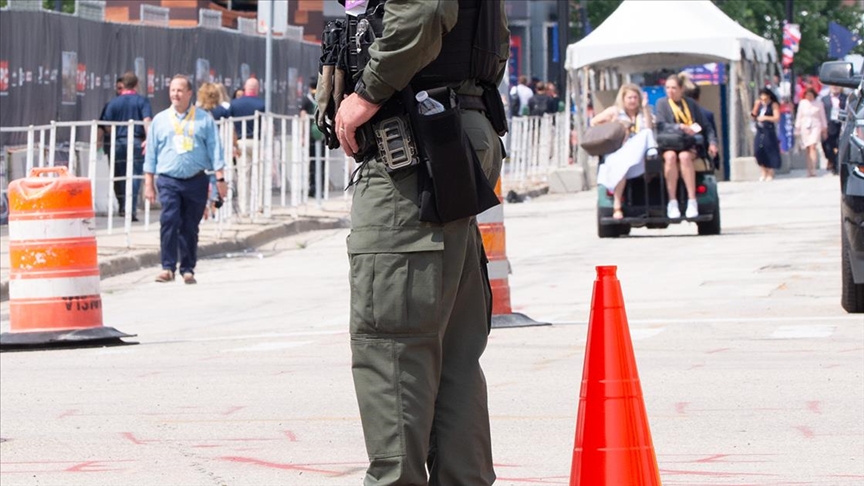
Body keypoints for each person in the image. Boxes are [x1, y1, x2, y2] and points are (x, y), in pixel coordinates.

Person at [331, 0, 509, 483]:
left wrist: (368, 91)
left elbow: (425, 9)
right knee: (452, 345)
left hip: (412, 145)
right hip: (444, 131)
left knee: (392, 341)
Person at [144, 75, 226, 284]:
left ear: (189, 93)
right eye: (172, 90)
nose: (175, 94)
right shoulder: (160, 120)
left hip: (196, 180)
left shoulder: (203, 119)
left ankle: (187, 268)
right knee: (169, 220)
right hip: (169, 180)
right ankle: (167, 267)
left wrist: (220, 179)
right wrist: (148, 183)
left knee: (190, 225)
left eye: (180, 90)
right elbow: (151, 152)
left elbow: (215, 148)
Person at [655, 74, 718, 219]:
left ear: (681, 89)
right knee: (670, 157)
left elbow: (703, 125)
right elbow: (661, 125)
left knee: (684, 157)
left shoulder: (690, 104)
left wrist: (711, 141)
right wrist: (679, 127)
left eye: (674, 88)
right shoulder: (662, 103)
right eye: (668, 88)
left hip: (688, 144)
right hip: (670, 143)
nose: (670, 91)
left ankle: (692, 200)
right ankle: (672, 201)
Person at [591, 83, 659, 219]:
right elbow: (594, 122)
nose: (633, 100)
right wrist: (615, 125)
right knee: (621, 165)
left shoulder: (643, 113)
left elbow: (649, 129)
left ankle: (652, 158)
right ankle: (617, 206)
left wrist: (645, 108)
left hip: (639, 152)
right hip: (620, 150)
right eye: (629, 98)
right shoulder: (615, 112)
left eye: (635, 97)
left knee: (646, 133)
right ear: (623, 99)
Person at [100, 72, 153, 222]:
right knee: (135, 176)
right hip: (136, 142)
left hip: (118, 143)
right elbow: (147, 121)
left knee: (119, 175)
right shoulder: (142, 101)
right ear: (136, 85)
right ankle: (131, 208)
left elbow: (106, 126)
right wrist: (149, 139)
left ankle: (123, 205)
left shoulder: (113, 103)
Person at [228, 78, 266, 212]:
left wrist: (234, 144)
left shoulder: (234, 104)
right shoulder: (262, 104)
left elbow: (230, 125)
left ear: (245, 88)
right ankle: (259, 205)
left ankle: (244, 207)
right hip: (258, 141)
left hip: (241, 141)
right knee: (259, 174)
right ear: (257, 88)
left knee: (243, 176)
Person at [197, 82, 232, 218]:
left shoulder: (197, 111)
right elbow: (230, 129)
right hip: (217, 147)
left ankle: (203, 205)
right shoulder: (222, 111)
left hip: (200, 148)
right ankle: (212, 204)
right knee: (214, 177)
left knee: (201, 178)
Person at [794, 87, 828, 177]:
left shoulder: (819, 103)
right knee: (808, 148)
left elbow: (822, 116)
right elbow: (799, 116)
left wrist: (824, 127)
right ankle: (808, 168)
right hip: (805, 126)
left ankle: (813, 168)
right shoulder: (802, 103)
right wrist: (797, 128)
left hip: (815, 125)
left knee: (813, 146)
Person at [751, 87, 782, 182]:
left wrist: (765, 118)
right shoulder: (759, 105)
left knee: (769, 150)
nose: (762, 98)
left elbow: (777, 118)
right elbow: (753, 116)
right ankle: (763, 171)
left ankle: (770, 172)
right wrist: (755, 107)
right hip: (760, 130)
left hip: (768, 130)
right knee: (758, 150)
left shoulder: (773, 104)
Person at [821, 85, 847, 175]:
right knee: (827, 146)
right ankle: (831, 160)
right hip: (829, 124)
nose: (835, 87)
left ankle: (837, 166)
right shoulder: (824, 99)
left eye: (837, 86)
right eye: (833, 86)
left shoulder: (846, 98)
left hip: (842, 123)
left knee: (841, 145)